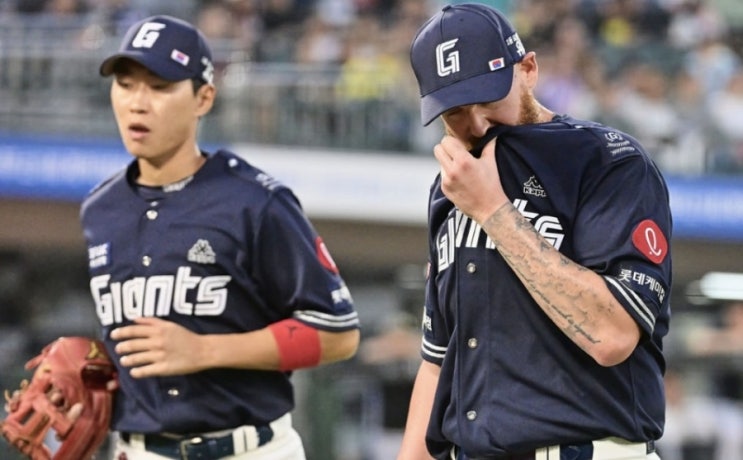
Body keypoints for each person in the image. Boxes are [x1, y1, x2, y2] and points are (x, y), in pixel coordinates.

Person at [398, 4, 672, 460]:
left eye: (487, 99)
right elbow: (438, 362)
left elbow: (612, 334)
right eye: (455, 112)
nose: (477, 123)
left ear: (527, 69)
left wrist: (492, 211)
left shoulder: (608, 161)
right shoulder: (452, 186)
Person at [82, 14, 360, 459]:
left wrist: (203, 349)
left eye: (159, 86)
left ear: (203, 98)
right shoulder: (100, 209)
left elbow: (338, 333)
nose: (137, 102)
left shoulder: (254, 201)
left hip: (248, 449)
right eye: (126, 83)